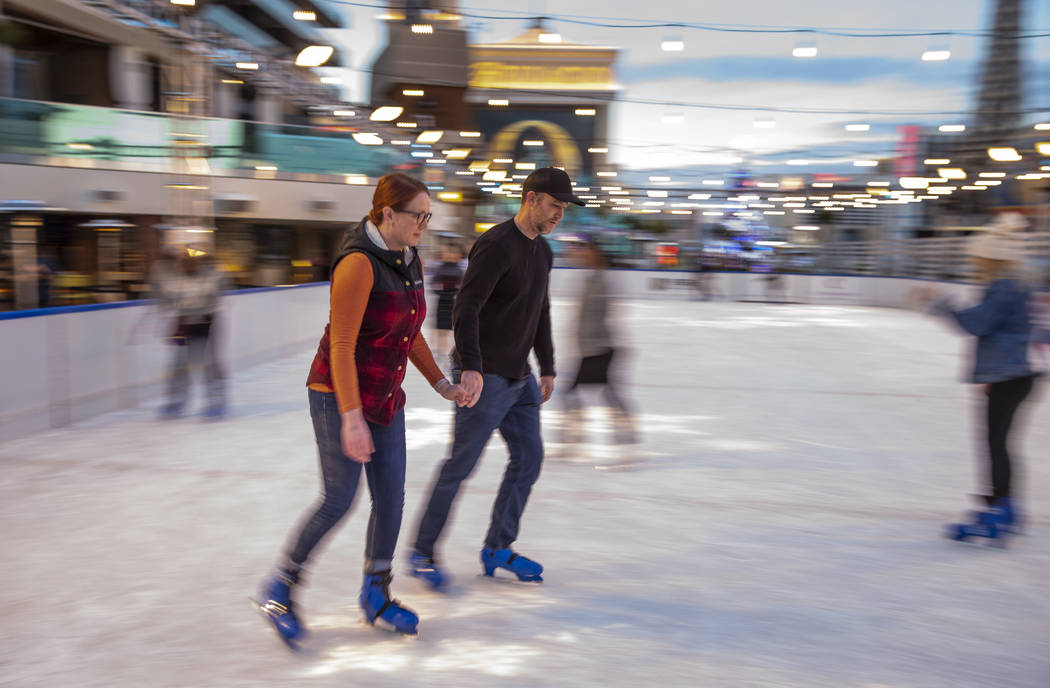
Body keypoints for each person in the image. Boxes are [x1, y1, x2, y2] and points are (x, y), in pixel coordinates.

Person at [256, 173, 466, 647]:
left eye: (428, 216)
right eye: (418, 216)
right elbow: (343, 348)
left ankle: (376, 593)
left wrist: (441, 384)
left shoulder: (411, 259)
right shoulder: (358, 263)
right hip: (337, 393)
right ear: (387, 214)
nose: (424, 225)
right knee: (339, 498)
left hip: (384, 396)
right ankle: (280, 588)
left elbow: (410, 336)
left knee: (390, 498)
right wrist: (351, 416)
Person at [408, 167, 584, 588]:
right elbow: (465, 308)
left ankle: (497, 548)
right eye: (556, 205)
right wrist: (470, 365)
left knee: (529, 458)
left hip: (520, 377)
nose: (560, 214)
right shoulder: (496, 244)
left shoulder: (543, 252)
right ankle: (422, 552)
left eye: (564, 208)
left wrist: (548, 365)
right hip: (483, 376)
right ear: (531, 198)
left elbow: (540, 310)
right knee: (461, 465)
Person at [926, 212, 1039, 544]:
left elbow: (978, 324)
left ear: (990, 258)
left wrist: (940, 303)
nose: (975, 263)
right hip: (1011, 375)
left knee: (996, 443)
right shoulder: (1013, 283)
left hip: (1011, 376)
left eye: (978, 258)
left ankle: (1000, 509)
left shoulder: (1004, 286)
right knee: (999, 442)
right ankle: (1004, 507)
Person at [551, 234, 638, 464]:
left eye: (584, 250)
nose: (577, 254)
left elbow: (603, 317)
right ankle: (623, 441)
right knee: (604, 396)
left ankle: (575, 441)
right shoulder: (591, 278)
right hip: (591, 350)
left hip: (598, 350)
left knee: (577, 396)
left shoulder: (601, 279)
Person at [156, 245, 227, 419]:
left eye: (190, 262)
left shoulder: (210, 277)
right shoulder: (177, 280)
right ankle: (175, 402)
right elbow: (168, 297)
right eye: (183, 263)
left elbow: (212, 294)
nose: (186, 266)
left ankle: (216, 401)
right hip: (185, 326)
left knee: (209, 364)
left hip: (207, 324)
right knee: (179, 364)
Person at [430, 240, 464, 366]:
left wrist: (454, 293)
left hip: (453, 301)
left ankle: (449, 352)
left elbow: (463, 285)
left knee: (451, 328)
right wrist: (440, 292)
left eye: (453, 252)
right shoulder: (440, 268)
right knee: (440, 328)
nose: (450, 255)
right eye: (448, 252)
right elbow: (433, 283)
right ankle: (439, 352)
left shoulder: (459, 270)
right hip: (442, 300)